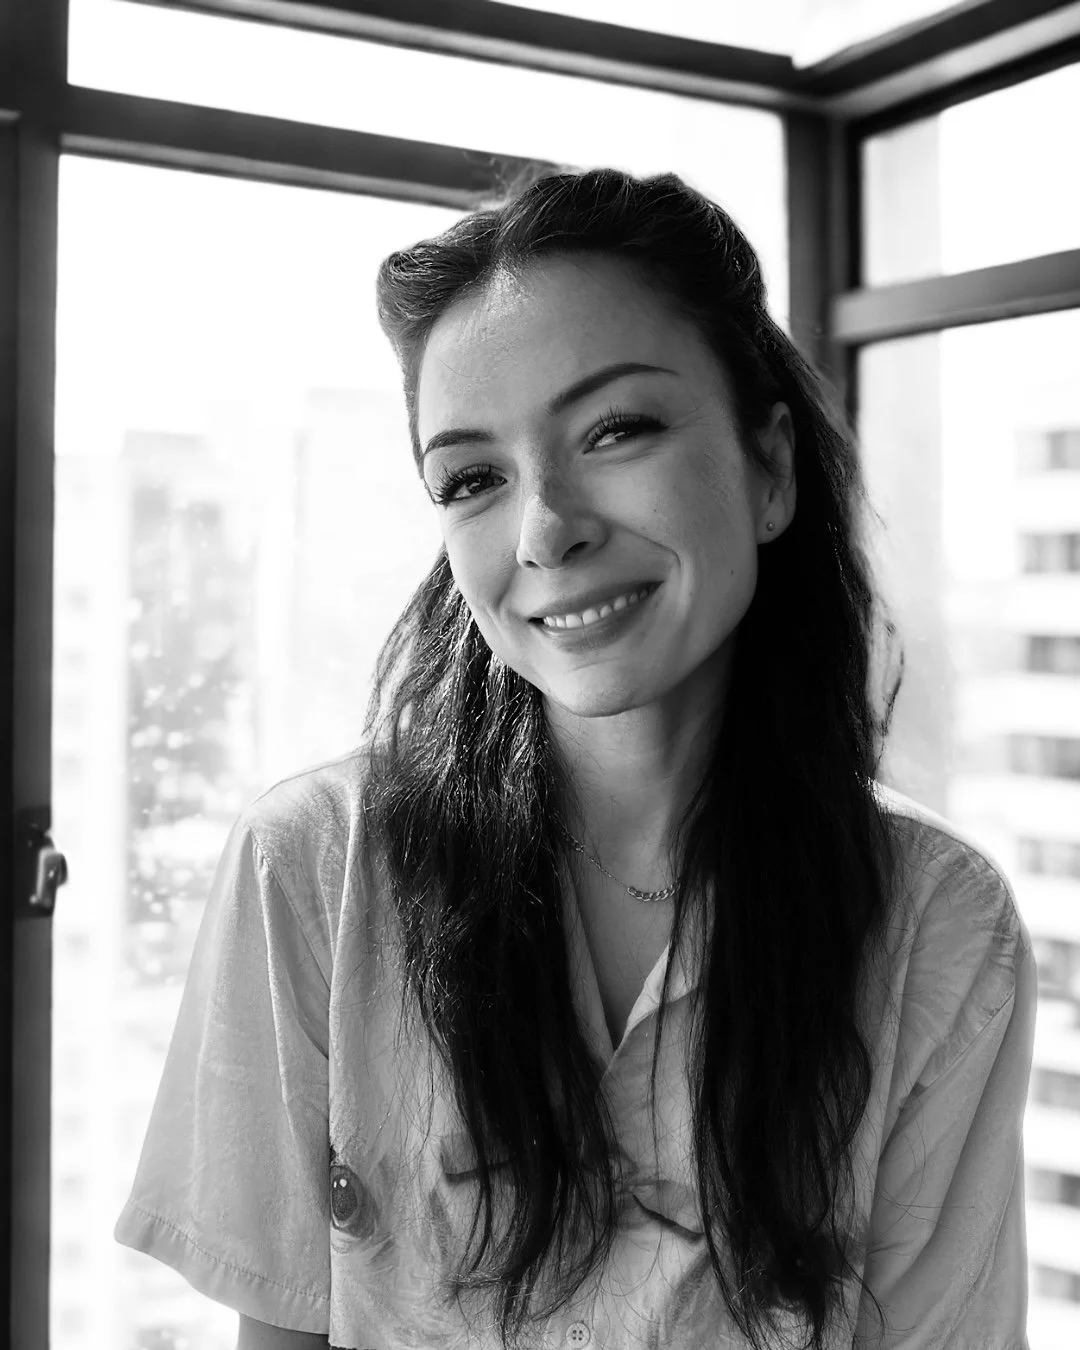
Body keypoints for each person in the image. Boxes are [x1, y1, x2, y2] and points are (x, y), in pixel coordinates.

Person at [115, 167, 1036, 1350]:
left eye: (616, 430)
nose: (546, 529)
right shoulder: (312, 866)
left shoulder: (937, 920)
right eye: (474, 479)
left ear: (769, 469)